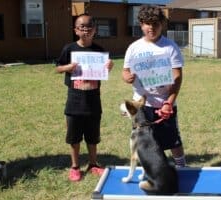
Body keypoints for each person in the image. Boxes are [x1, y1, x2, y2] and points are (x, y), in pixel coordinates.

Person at [122, 5, 186, 168]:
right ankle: (152, 168)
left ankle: (182, 167)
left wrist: (168, 103)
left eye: (155, 23)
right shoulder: (133, 48)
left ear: (162, 24)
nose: (151, 27)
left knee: (173, 140)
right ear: (141, 24)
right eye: (147, 23)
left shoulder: (170, 47)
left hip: (164, 104)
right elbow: (125, 72)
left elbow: (177, 78)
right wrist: (127, 77)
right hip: (141, 105)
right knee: (144, 140)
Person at [56, 13, 114, 182]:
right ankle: (75, 166)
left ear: (95, 30)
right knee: (73, 136)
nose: (85, 30)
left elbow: (103, 70)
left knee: (93, 135)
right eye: (82, 27)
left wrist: (109, 66)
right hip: (74, 98)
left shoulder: (100, 50)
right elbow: (57, 68)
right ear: (76, 30)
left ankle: (93, 164)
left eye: (89, 27)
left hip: (93, 98)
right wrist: (68, 67)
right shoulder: (69, 48)